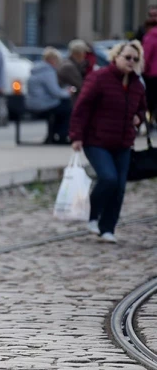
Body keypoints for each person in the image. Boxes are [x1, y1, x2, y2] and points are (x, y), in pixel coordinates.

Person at [70, 41, 147, 243]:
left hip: (123, 143)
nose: (131, 62)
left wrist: (139, 117)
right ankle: (93, 215)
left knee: (119, 187)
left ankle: (108, 228)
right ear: (116, 57)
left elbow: (142, 108)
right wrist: (76, 136)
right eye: (128, 57)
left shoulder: (137, 84)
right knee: (108, 178)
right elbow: (82, 107)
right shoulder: (99, 78)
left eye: (135, 59)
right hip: (96, 140)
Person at [25, 47, 73, 144]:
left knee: (61, 107)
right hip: (42, 105)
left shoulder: (36, 69)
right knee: (67, 107)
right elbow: (55, 92)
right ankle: (62, 135)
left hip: (31, 103)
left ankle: (52, 135)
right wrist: (68, 92)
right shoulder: (48, 72)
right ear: (52, 60)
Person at [141, 19, 157, 122]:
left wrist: (142, 69)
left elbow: (145, 57)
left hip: (152, 74)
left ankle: (149, 121)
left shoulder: (150, 37)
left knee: (149, 100)